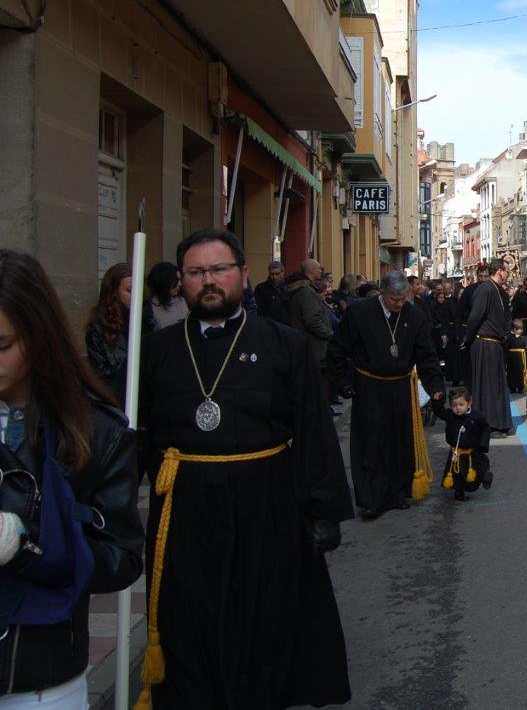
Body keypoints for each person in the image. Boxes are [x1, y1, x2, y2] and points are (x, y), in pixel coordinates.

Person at [135, 229, 353, 708]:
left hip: (267, 509)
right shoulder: (156, 351)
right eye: (195, 272)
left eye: (219, 270)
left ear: (243, 275)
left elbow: (313, 429)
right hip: (185, 516)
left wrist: (324, 510)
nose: (208, 281)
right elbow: (139, 434)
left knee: (263, 623)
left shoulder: (283, 344)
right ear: (182, 283)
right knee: (189, 624)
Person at [0, 250, 144, 707]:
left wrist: (29, 544)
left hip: (36, 676)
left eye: (1, 345)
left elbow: (121, 558)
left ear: (38, 336)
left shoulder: (95, 432)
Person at [327, 271, 445, 519]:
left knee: (399, 440)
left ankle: (397, 492)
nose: (400, 304)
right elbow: (338, 349)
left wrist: (435, 385)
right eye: (395, 299)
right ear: (383, 293)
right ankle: (370, 498)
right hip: (369, 385)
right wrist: (343, 382)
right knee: (371, 441)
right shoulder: (360, 313)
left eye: (404, 299)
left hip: (401, 386)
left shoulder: (414, 316)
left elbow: (426, 354)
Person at [85, 262, 155, 406]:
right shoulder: (100, 327)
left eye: (139, 289)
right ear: (114, 292)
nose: (136, 295)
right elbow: (101, 375)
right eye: (130, 290)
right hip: (119, 402)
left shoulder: (148, 319)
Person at [463, 259, 514, 436]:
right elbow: (475, 316)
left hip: (495, 343)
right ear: (499, 271)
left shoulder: (498, 290)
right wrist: (467, 339)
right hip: (484, 343)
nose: (508, 274)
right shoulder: (485, 288)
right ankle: (489, 424)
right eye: (507, 271)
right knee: (487, 386)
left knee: (497, 385)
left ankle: (499, 422)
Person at [430, 388, 492, 502]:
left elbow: (485, 428)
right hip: (457, 453)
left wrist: (483, 444)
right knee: (457, 475)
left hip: (472, 451)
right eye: (454, 405)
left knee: (480, 467)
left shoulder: (476, 416)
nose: (458, 408)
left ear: (469, 404)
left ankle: (485, 477)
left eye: (461, 404)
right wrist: (436, 401)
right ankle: (459, 493)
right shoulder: (449, 415)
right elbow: (439, 411)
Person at [285, 259, 334, 368]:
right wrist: (329, 334)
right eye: (319, 268)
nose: (321, 271)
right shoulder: (306, 292)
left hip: (310, 346)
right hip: (314, 347)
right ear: (311, 271)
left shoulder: (306, 290)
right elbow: (312, 320)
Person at [147, 261, 189, 329]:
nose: (180, 284)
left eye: (180, 280)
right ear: (164, 281)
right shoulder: (148, 310)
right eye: (176, 280)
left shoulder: (183, 302)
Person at [253, 260, 290, 325]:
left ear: (283, 272)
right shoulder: (261, 288)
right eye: (271, 274)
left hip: (287, 326)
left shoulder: (289, 287)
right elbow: (259, 310)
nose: (274, 277)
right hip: (269, 326)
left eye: (277, 274)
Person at [505, 320, 527, 395]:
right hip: (511, 358)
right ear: (514, 329)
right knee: (511, 372)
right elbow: (506, 346)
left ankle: (520, 387)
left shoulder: (524, 338)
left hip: (520, 358)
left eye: (521, 329)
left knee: (520, 373)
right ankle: (512, 387)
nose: (520, 331)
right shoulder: (510, 337)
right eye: (518, 329)